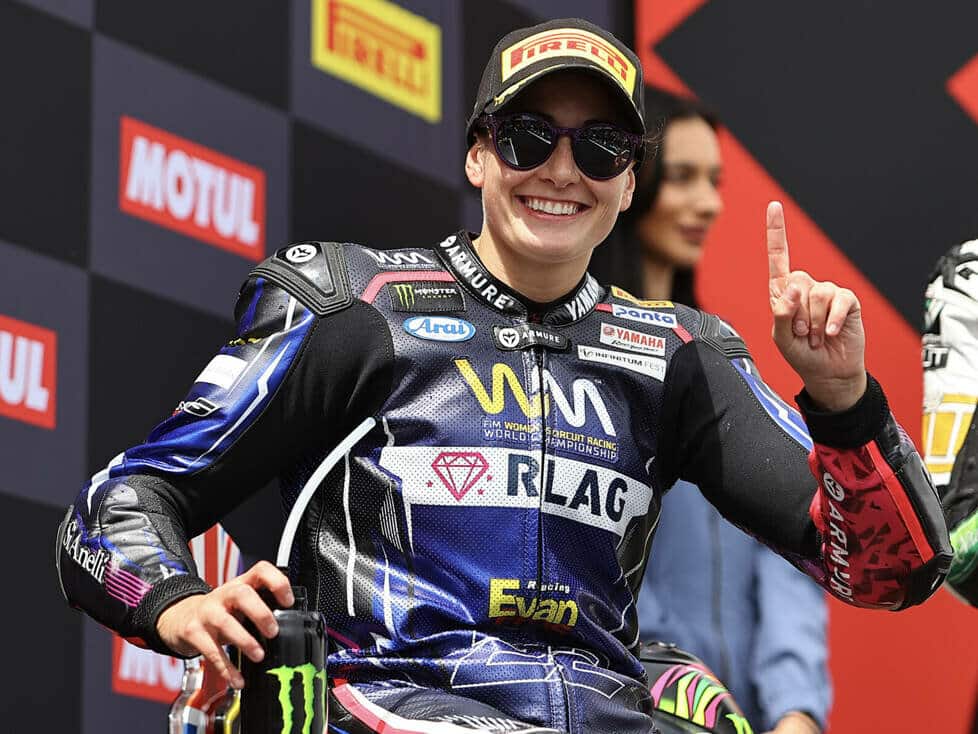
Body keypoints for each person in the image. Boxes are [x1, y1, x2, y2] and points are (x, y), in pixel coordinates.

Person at [57, 18, 951, 734]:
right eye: (528, 138)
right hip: (389, 701)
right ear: (478, 154)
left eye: (600, 148)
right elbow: (117, 504)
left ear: (629, 183)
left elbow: (893, 572)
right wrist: (175, 601)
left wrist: (844, 401)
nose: (562, 170)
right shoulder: (354, 305)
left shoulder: (677, 352)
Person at [591, 91, 830, 734]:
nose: (710, 203)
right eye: (683, 177)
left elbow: (787, 547)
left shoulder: (717, 360)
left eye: (715, 181)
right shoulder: (577, 362)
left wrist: (797, 709)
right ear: (628, 179)